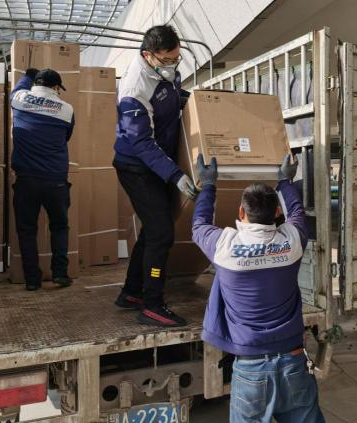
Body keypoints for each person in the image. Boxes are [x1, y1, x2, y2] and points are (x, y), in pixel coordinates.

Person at [192, 154, 325, 423]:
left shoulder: (224, 246)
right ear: (276, 213)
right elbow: (297, 213)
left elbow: (199, 226)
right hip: (293, 361)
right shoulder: (292, 241)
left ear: (241, 213)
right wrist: (285, 181)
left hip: (250, 368)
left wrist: (208, 185)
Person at [113, 24, 198, 327]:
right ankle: (152, 305)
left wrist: (195, 102)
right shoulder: (134, 89)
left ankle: (131, 293)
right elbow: (141, 143)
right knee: (161, 232)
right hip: (136, 166)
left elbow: (172, 95)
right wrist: (176, 175)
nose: (173, 65)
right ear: (148, 55)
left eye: (176, 59)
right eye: (166, 60)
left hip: (157, 162)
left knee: (153, 229)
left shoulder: (164, 70)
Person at [11, 68, 75, 291]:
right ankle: (60, 273)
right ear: (56, 87)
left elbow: (18, 88)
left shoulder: (19, 99)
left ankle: (32, 280)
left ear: (35, 84)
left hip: (26, 180)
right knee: (59, 227)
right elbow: (66, 136)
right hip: (56, 180)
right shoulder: (66, 109)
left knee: (27, 230)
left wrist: (28, 74)